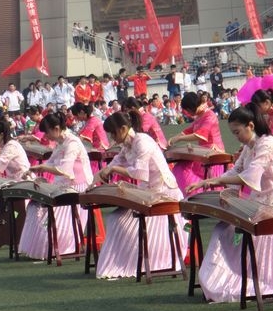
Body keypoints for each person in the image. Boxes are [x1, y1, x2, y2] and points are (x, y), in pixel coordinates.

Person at [185, 104, 273, 302]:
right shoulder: (249, 146)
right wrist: (208, 181)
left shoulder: (267, 144)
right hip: (259, 201)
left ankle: (267, 281)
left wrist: (213, 181)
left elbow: (250, 176)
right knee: (223, 230)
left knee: (233, 234)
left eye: (237, 132)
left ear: (250, 126)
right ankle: (237, 278)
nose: (236, 137)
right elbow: (236, 171)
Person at [92, 110, 187, 279]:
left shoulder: (142, 142)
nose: (112, 137)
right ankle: (126, 261)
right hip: (148, 194)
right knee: (115, 218)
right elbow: (114, 163)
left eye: (113, 133)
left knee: (120, 220)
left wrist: (113, 170)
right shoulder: (127, 144)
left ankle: (141, 260)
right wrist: (93, 183)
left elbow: (139, 173)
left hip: (164, 194)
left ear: (123, 129)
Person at [17, 112, 93, 260]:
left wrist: (42, 168)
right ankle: (41, 248)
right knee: (34, 207)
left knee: (49, 215)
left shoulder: (72, 143)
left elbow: (65, 170)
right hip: (63, 186)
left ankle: (56, 247)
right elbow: (51, 162)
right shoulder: (60, 143)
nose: (46, 136)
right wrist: (33, 171)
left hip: (77, 188)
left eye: (47, 132)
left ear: (56, 128)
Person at [166, 92, 226, 194]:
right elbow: (189, 130)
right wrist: (174, 138)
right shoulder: (200, 116)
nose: (187, 113)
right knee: (181, 168)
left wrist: (178, 139)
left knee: (208, 183)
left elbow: (200, 135)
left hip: (214, 153)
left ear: (190, 108)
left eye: (187, 110)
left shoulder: (209, 115)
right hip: (203, 153)